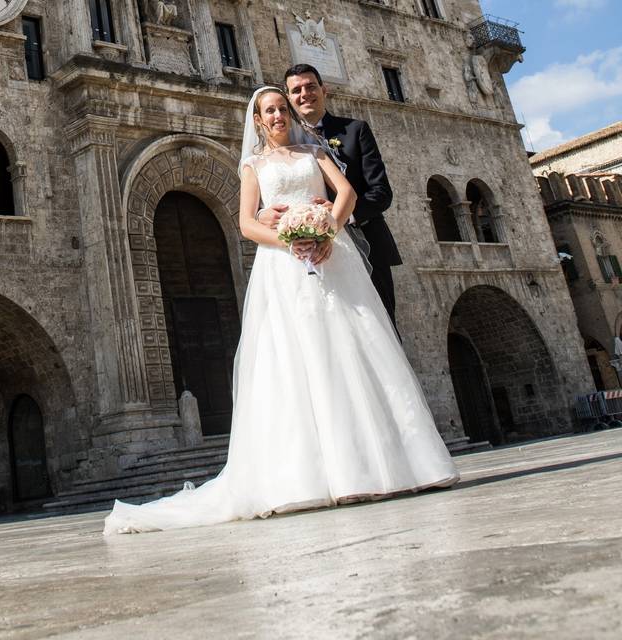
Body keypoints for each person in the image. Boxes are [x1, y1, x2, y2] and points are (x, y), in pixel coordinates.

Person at [103, 87, 458, 535]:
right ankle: (312, 475)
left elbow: (346, 192)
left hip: (334, 257)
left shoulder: (314, 152)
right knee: (297, 359)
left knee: (354, 350)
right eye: (268, 110)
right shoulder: (251, 166)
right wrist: (292, 241)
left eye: (282, 109)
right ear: (257, 120)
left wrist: (328, 230)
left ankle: (382, 466)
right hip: (285, 267)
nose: (276, 116)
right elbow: (247, 223)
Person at [258, 64, 402, 330]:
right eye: (296, 90)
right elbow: (271, 189)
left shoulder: (355, 130)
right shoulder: (281, 144)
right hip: (304, 254)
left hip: (367, 244)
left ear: (324, 90)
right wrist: (261, 213)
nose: (305, 94)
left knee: (380, 332)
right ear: (289, 99)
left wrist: (337, 219)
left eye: (311, 87)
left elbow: (381, 193)